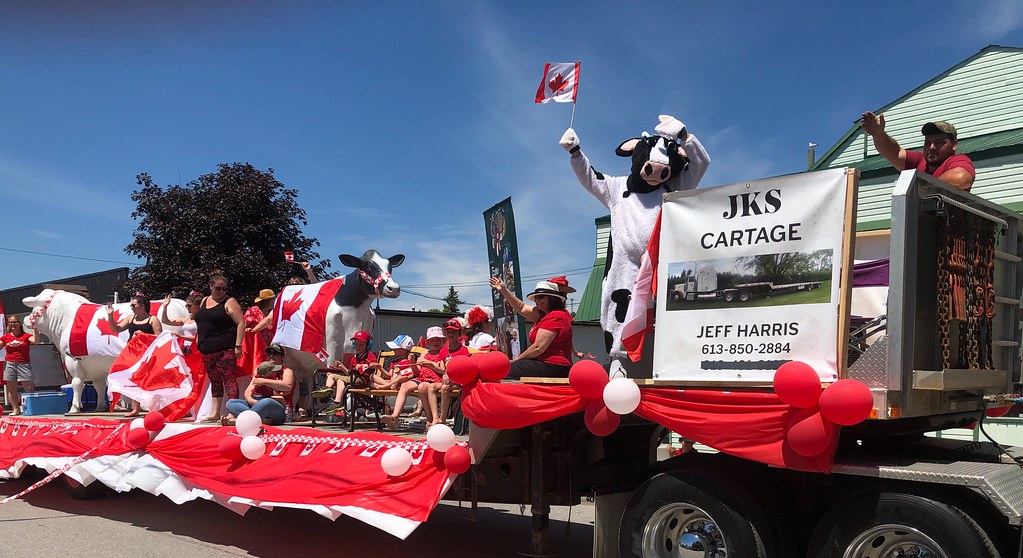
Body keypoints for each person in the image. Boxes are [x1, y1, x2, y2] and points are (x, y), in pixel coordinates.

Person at [860, 112, 975, 191]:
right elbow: (894, 153)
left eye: (939, 142)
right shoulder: (919, 161)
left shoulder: (957, 161)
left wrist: (917, 190)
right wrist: (878, 134)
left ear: (954, 145)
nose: (931, 147)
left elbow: (960, 179)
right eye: (927, 143)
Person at [490, 277, 574, 379]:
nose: (537, 300)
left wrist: (517, 360)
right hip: (547, 364)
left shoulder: (555, 316)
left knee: (505, 371)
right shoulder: (545, 315)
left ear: (552, 298)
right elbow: (521, 307)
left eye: (541, 297)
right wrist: (503, 289)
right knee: (506, 368)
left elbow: (538, 348)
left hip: (555, 367)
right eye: (536, 298)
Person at [193, 273, 246, 423]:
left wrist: (238, 345)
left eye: (224, 288)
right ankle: (215, 412)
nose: (221, 291)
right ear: (210, 287)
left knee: (229, 379)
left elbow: (241, 323)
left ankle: (233, 412)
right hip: (207, 348)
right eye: (218, 288)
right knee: (215, 380)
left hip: (225, 347)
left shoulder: (229, 301)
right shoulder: (204, 301)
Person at [107, 295, 163, 417]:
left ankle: (153, 407)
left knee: (149, 381)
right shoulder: (130, 319)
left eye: (134, 305)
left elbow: (159, 337)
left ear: (142, 306)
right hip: (133, 354)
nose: (131, 307)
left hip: (148, 354)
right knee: (133, 380)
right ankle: (135, 409)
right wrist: (110, 315)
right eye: (131, 305)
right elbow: (115, 329)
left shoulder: (152, 319)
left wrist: (143, 334)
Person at [224, 343, 295, 426]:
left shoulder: (286, 371)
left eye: (275, 354)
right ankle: (259, 419)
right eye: (269, 354)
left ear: (282, 357)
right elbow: (248, 391)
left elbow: (288, 386)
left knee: (267, 402)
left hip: (280, 408)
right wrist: (252, 401)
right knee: (231, 403)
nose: (271, 356)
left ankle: (239, 421)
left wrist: (264, 381)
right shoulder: (261, 370)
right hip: (258, 403)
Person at [319, 330, 379, 414]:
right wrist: (342, 366)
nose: (358, 347)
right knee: (335, 377)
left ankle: (333, 398)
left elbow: (374, 366)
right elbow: (349, 373)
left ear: (368, 345)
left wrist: (364, 366)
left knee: (336, 378)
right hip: (353, 379)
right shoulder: (354, 358)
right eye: (356, 344)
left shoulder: (370, 356)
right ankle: (330, 395)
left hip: (362, 380)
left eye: (361, 344)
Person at [1, 316, 36, 416]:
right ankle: (15, 409)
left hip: (23, 363)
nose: (12, 324)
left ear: (19, 323)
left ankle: (32, 408)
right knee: (11, 389)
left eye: (14, 322)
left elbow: (36, 341)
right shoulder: (6, 337)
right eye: (10, 322)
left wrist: (36, 330)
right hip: (9, 364)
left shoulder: (25, 335)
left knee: (28, 387)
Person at [239, 288, 275, 377]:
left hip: (268, 347)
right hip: (256, 347)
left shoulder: (269, 312)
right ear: (268, 301)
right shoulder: (254, 310)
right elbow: (243, 325)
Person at [415, 327, 447, 426]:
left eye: (438, 340)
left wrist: (430, 364)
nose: (435, 342)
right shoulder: (424, 354)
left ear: (443, 341)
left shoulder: (443, 353)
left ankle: (434, 418)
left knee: (428, 387)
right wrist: (413, 362)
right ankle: (429, 417)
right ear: (428, 342)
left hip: (438, 379)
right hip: (424, 379)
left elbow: (443, 371)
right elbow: (417, 372)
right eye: (432, 340)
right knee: (421, 387)